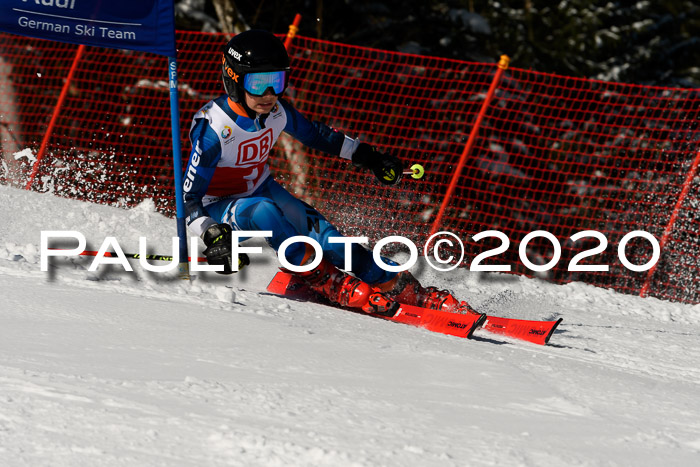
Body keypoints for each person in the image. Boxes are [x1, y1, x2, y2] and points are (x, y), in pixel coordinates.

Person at [183, 29, 474, 316]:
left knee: (332, 242)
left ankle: (405, 289)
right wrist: (212, 235)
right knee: (263, 210)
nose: (269, 94)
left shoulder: (276, 112)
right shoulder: (213, 130)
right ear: (234, 79)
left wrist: (370, 157)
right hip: (220, 209)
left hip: (260, 188)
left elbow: (320, 136)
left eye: (277, 81)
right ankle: (326, 280)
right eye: (259, 83)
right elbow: (189, 200)